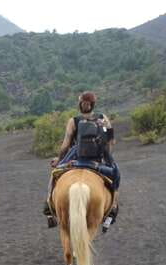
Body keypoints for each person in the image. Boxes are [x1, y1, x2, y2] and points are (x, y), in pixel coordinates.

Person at [43, 92, 120, 230]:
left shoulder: (74, 121)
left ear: (80, 104)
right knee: (116, 174)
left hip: (76, 161)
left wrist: (59, 159)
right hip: (97, 162)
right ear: (93, 105)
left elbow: (66, 145)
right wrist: (106, 158)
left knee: (55, 173)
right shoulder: (103, 118)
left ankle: (48, 205)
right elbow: (111, 141)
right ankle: (113, 207)